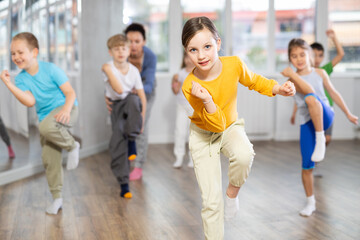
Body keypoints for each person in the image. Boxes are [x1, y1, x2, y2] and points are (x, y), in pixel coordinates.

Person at [181, 16, 295, 240]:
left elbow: (253, 80)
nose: (201, 55)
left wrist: (278, 88)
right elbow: (215, 124)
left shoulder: (233, 64)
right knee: (211, 202)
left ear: (218, 43)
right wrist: (206, 101)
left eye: (207, 47)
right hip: (203, 135)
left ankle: (232, 193)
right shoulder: (189, 86)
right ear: (186, 51)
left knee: (244, 155)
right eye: (193, 50)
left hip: (230, 127)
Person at [0, 32, 80, 215]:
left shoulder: (51, 69)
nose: (16, 57)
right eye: (13, 53)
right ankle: (57, 198)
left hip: (68, 109)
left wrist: (66, 111)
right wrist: (8, 83)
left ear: (34, 52)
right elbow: (29, 101)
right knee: (49, 158)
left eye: (20, 52)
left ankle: (72, 145)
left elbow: (70, 93)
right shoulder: (20, 78)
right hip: (47, 119)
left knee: (44, 128)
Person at [281, 38, 358, 217]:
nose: (299, 59)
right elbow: (304, 89)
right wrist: (292, 76)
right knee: (307, 166)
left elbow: (327, 93)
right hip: (307, 122)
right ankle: (310, 202)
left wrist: (348, 114)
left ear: (310, 54)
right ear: (290, 59)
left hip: (326, 115)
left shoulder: (320, 72)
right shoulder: (290, 81)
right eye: (294, 56)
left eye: (302, 54)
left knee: (311, 99)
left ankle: (321, 137)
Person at [106, 23, 157, 181]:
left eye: (137, 41)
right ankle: (125, 159)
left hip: (145, 90)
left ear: (144, 42)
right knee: (122, 125)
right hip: (125, 91)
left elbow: (148, 83)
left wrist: (137, 91)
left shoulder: (150, 57)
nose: (133, 45)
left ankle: (138, 165)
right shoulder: (121, 53)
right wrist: (107, 96)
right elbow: (111, 79)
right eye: (130, 41)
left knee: (140, 125)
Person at [102, 34, 147, 198]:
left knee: (133, 99)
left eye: (124, 48)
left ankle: (133, 140)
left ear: (129, 51)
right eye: (116, 49)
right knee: (117, 144)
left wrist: (140, 121)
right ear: (110, 52)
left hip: (131, 105)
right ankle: (124, 184)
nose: (120, 52)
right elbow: (119, 90)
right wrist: (107, 69)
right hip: (116, 107)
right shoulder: (108, 68)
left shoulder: (134, 71)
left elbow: (142, 97)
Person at [291, 29, 345, 146]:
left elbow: (340, 55)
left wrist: (333, 37)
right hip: (311, 109)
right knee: (313, 136)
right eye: (314, 55)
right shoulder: (300, 74)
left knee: (327, 138)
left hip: (327, 108)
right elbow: (299, 95)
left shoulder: (324, 70)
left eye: (320, 56)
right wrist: (294, 113)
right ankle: (315, 152)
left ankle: (319, 148)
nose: (317, 59)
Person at [171, 51, 194, 168]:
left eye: (191, 57)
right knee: (180, 131)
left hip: (194, 108)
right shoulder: (179, 74)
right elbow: (175, 91)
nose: (189, 60)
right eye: (186, 57)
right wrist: (174, 82)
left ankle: (192, 158)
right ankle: (179, 157)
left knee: (193, 134)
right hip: (181, 107)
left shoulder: (199, 73)